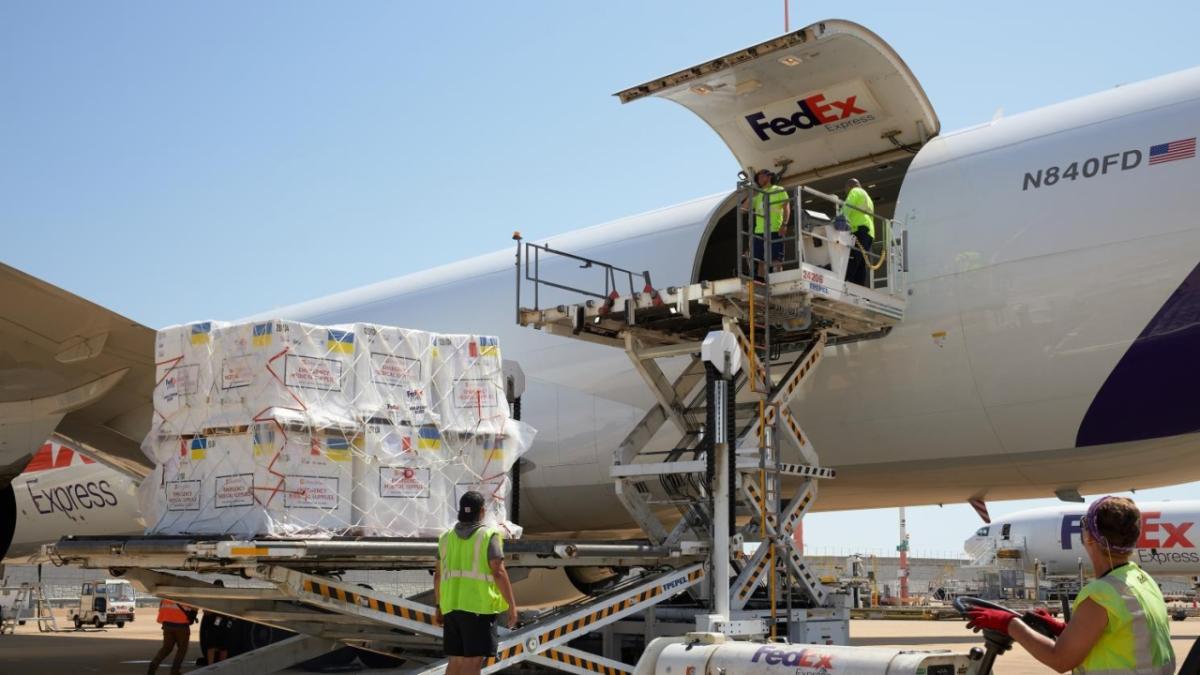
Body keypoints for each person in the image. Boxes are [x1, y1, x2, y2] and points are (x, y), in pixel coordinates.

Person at [965, 496, 1176, 673]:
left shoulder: (1101, 594)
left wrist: (1009, 623)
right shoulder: (1142, 580)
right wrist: (1064, 629)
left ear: (1090, 538)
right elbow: (1124, 635)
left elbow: (1060, 661)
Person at [433, 491, 519, 675]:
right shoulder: (488, 535)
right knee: (473, 662)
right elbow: (498, 571)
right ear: (482, 511)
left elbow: (438, 575)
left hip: (451, 608)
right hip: (478, 608)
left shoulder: (446, 538)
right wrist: (512, 606)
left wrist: (439, 605)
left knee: (456, 660)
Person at [747, 168, 791, 279]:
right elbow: (743, 208)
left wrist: (784, 224)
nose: (759, 179)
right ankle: (760, 281)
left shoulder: (778, 189)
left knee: (776, 258)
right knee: (760, 260)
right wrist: (751, 192)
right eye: (758, 178)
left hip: (775, 229)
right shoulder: (758, 195)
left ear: (769, 176)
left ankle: (778, 280)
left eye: (762, 176)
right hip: (759, 231)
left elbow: (786, 208)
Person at [148, 597, 196, 675]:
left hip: (167, 625)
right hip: (181, 626)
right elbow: (194, 608)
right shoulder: (186, 596)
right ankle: (175, 671)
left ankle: (154, 663)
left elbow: (161, 609)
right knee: (182, 649)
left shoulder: (165, 597)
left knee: (166, 648)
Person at [840, 178, 875, 286]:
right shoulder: (868, 198)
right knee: (861, 261)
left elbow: (848, 206)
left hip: (859, 228)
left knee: (853, 257)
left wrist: (839, 219)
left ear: (850, 186)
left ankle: (845, 281)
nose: (846, 192)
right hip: (869, 231)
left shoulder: (855, 191)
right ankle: (859, 284)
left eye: (846, 189)